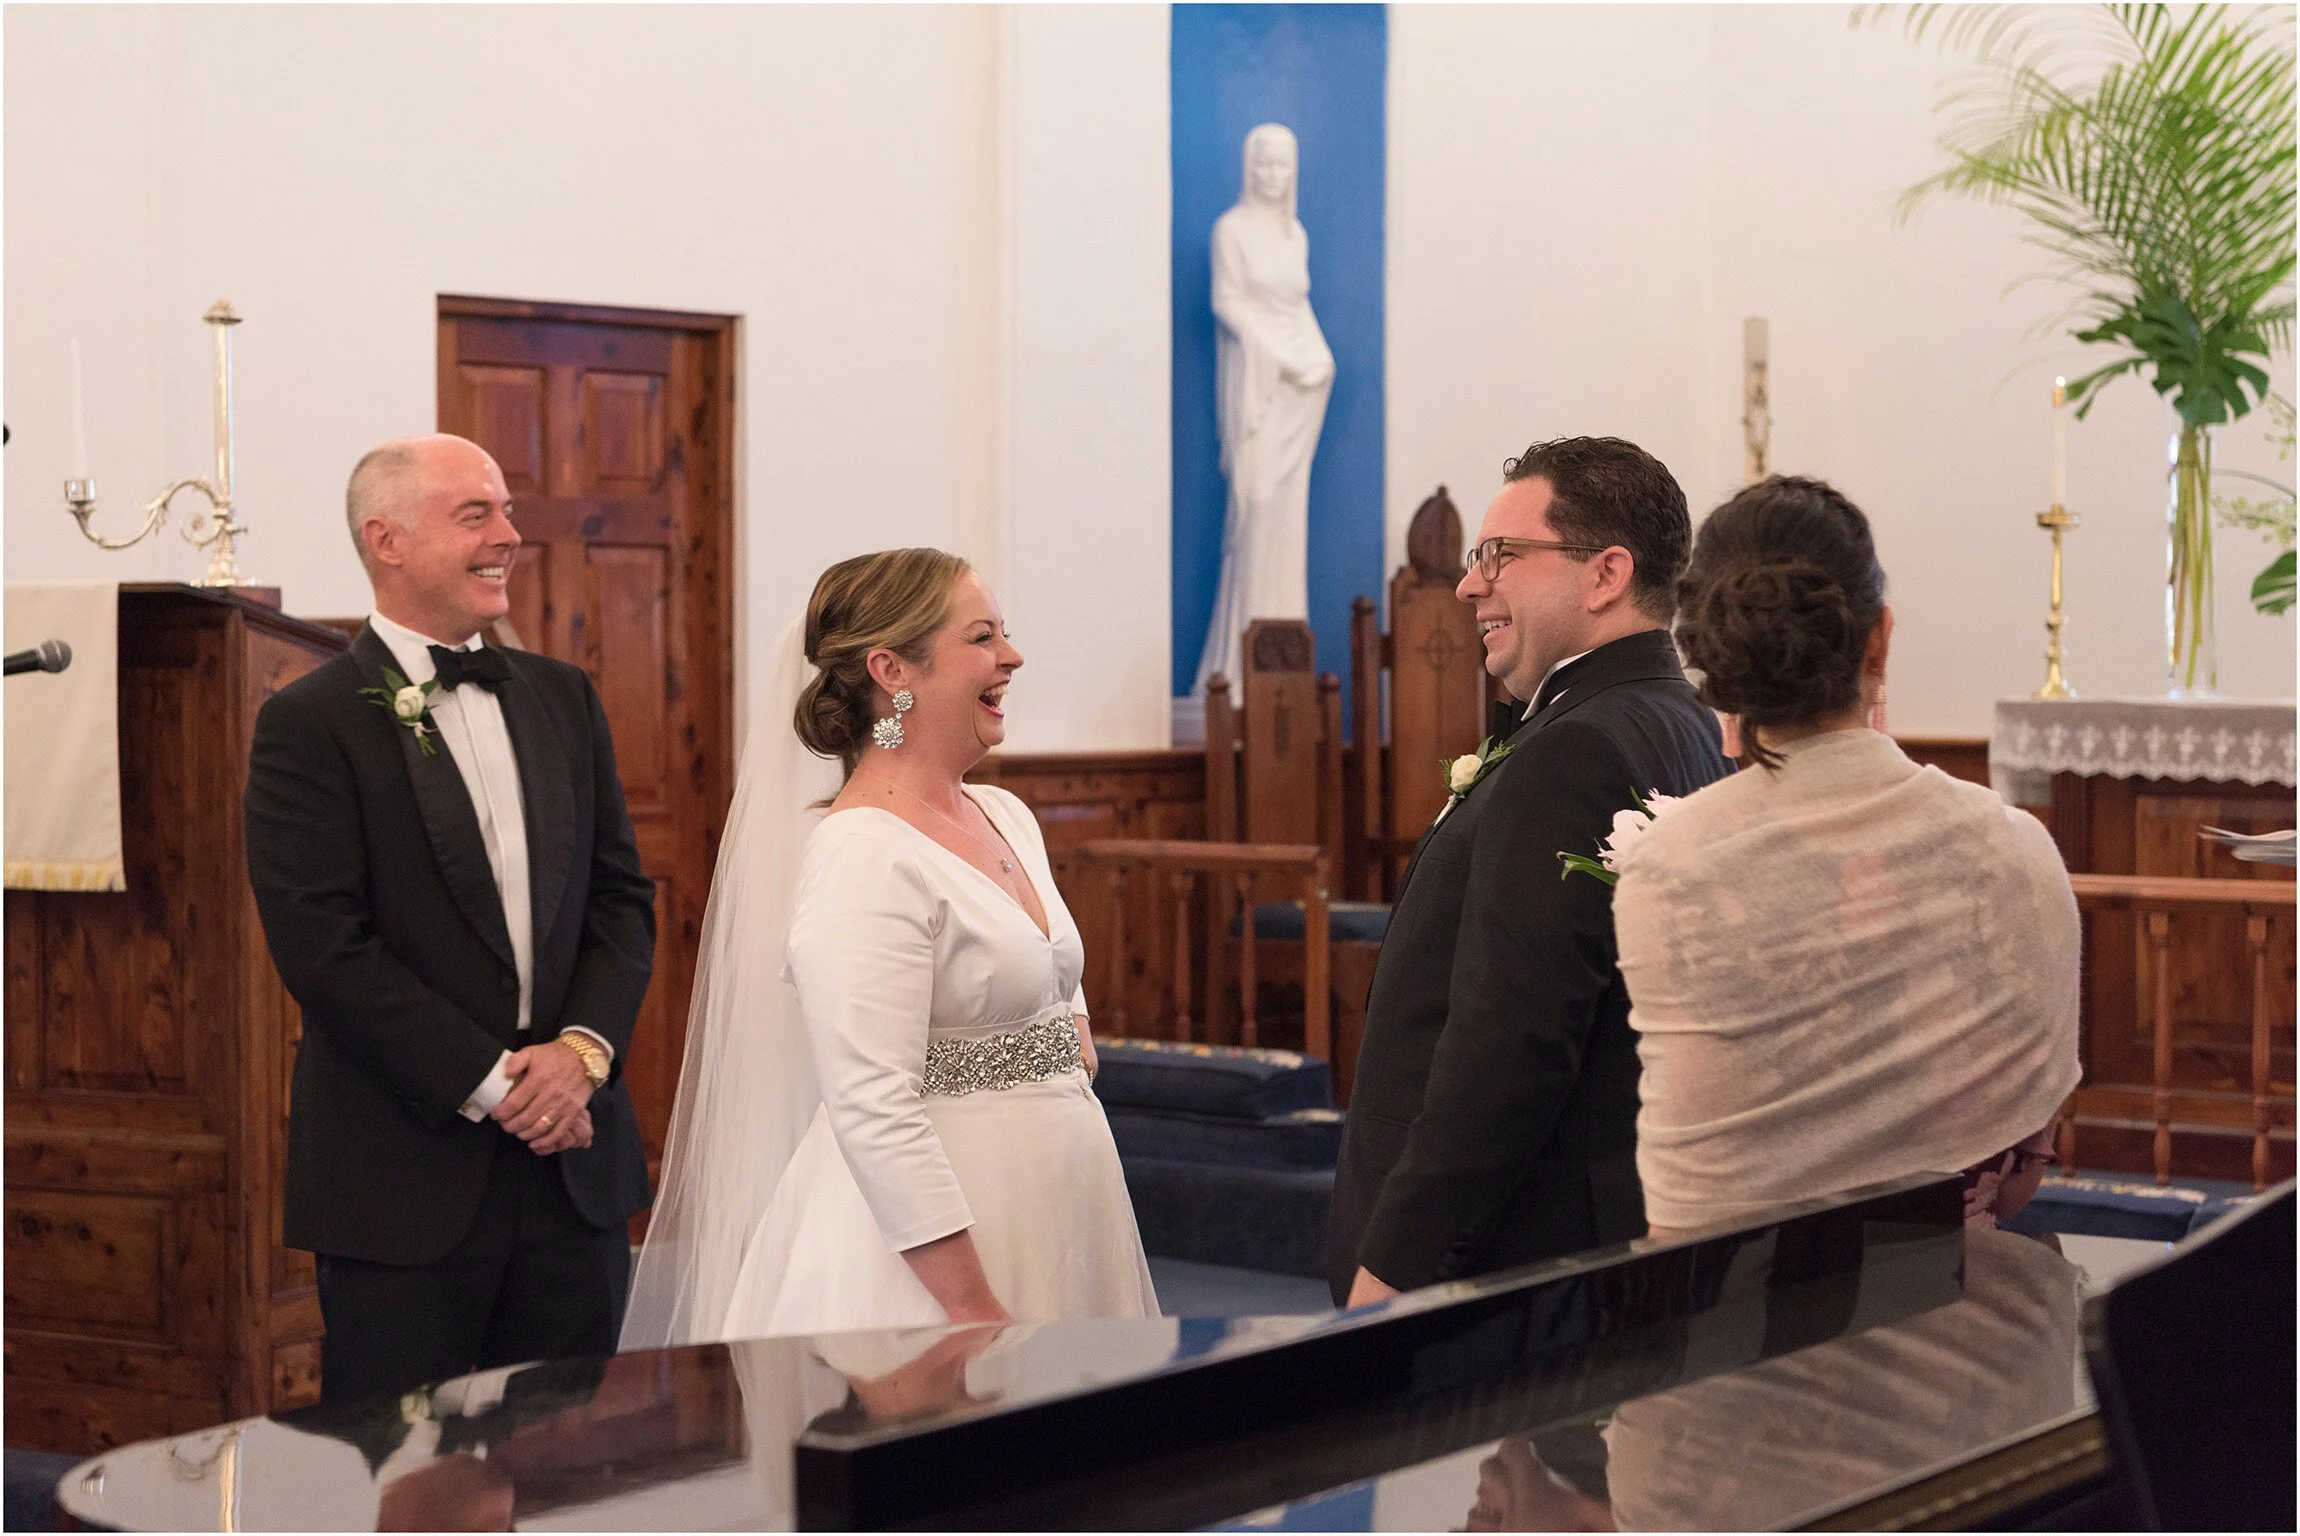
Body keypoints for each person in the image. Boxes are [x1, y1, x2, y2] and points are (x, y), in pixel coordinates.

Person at [622, 549, 1156, 1346]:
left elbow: (1042, 964)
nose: (1011, 657)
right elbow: (873, 1102)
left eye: (1005, 634)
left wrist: (1062, 1027)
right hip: (941, 1240)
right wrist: (972, 1309)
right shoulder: (863, 855)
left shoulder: (1006, 814)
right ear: (891, 668)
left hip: (1062, 1195)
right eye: (982, 638)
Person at [245, 434, 655, 1405]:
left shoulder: (563, 698)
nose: (509, 536)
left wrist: (582, 1055)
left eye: (506, 513)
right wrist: (496, 1084)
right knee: (410, 1484)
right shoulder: (311, 722)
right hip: (405, 1175)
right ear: (386, 540)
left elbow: (620, 898)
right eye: (477, 515)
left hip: (573, 1165)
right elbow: (322, 945)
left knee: (565, 1472)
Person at [1613, 475, 2080, 1236]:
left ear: (1714, 658)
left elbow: (1699, 1186)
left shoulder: (1665, 866)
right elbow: (2020, 1171)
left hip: (1728, 1325)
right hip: (1966, 1325)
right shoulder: (2016, 850)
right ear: (1880, 638)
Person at [1328, 437, 1733, 1307]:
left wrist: (1395, 1266)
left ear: (1605, 574)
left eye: (1500, 555)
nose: (1471, 584)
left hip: (1512, 1254)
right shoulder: (1685, 722)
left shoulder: (1576, 747)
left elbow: (1510, 1045)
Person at [1194, 121, 1336, 696]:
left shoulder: (1294, 234)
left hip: (1300, 387)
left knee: (1287, 514)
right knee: (1255, 506)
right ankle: (1237, 663)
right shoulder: (1232, 229)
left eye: (1282, 165)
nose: (1272, 175)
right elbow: (1225, 301)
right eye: (1263, 164)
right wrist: (1280, 356)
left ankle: (1281, 663)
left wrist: (1319, 359)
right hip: (1257, 386)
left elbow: (1298, 307)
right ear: (1248, 167)